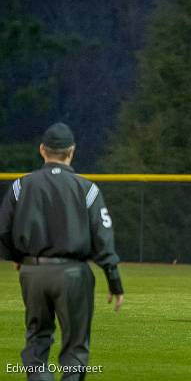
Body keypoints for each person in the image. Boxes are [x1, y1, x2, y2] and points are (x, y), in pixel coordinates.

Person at [0, 122, 124, 380]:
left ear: (42, 150)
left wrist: (17, 258)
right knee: (75, 348)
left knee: (36, 343)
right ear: (72, 152)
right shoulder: (87, 188)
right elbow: (103, 237)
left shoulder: (20, 186)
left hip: (33, 271)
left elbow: (3, 231)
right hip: (73, 274)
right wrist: (113, 279)